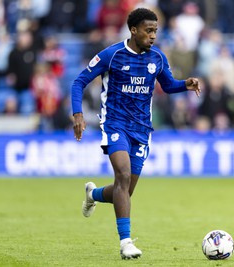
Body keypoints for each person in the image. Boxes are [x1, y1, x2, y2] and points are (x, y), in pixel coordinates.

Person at [71, 8, 201, 260]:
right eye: (148, 30)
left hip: (142, 129)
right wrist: (77, 114)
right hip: (115, 124)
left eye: (155, 31)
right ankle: (126, 242)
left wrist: (185, 84)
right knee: (123, 174)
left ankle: (93, 194)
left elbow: (168, 85)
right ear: (134, 30)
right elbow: (79, 81)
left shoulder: (157, 58)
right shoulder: (112, 54)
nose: (153, 36)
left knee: (125, 190)